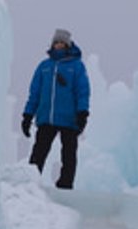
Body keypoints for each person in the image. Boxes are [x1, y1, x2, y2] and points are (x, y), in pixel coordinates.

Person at [22, 29, 91, 189]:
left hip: (69, 119)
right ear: (52, 44)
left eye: (61, 43)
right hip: (46, 118)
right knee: (39, 151)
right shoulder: (44, 66)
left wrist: (83, 112)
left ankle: (65, 185)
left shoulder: (76, 66)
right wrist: (27, 115)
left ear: (67, 45)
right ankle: (30, 184)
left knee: (68, 154)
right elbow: (35, 93)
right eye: (56, 42)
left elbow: (83, 91)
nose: (58, 45)